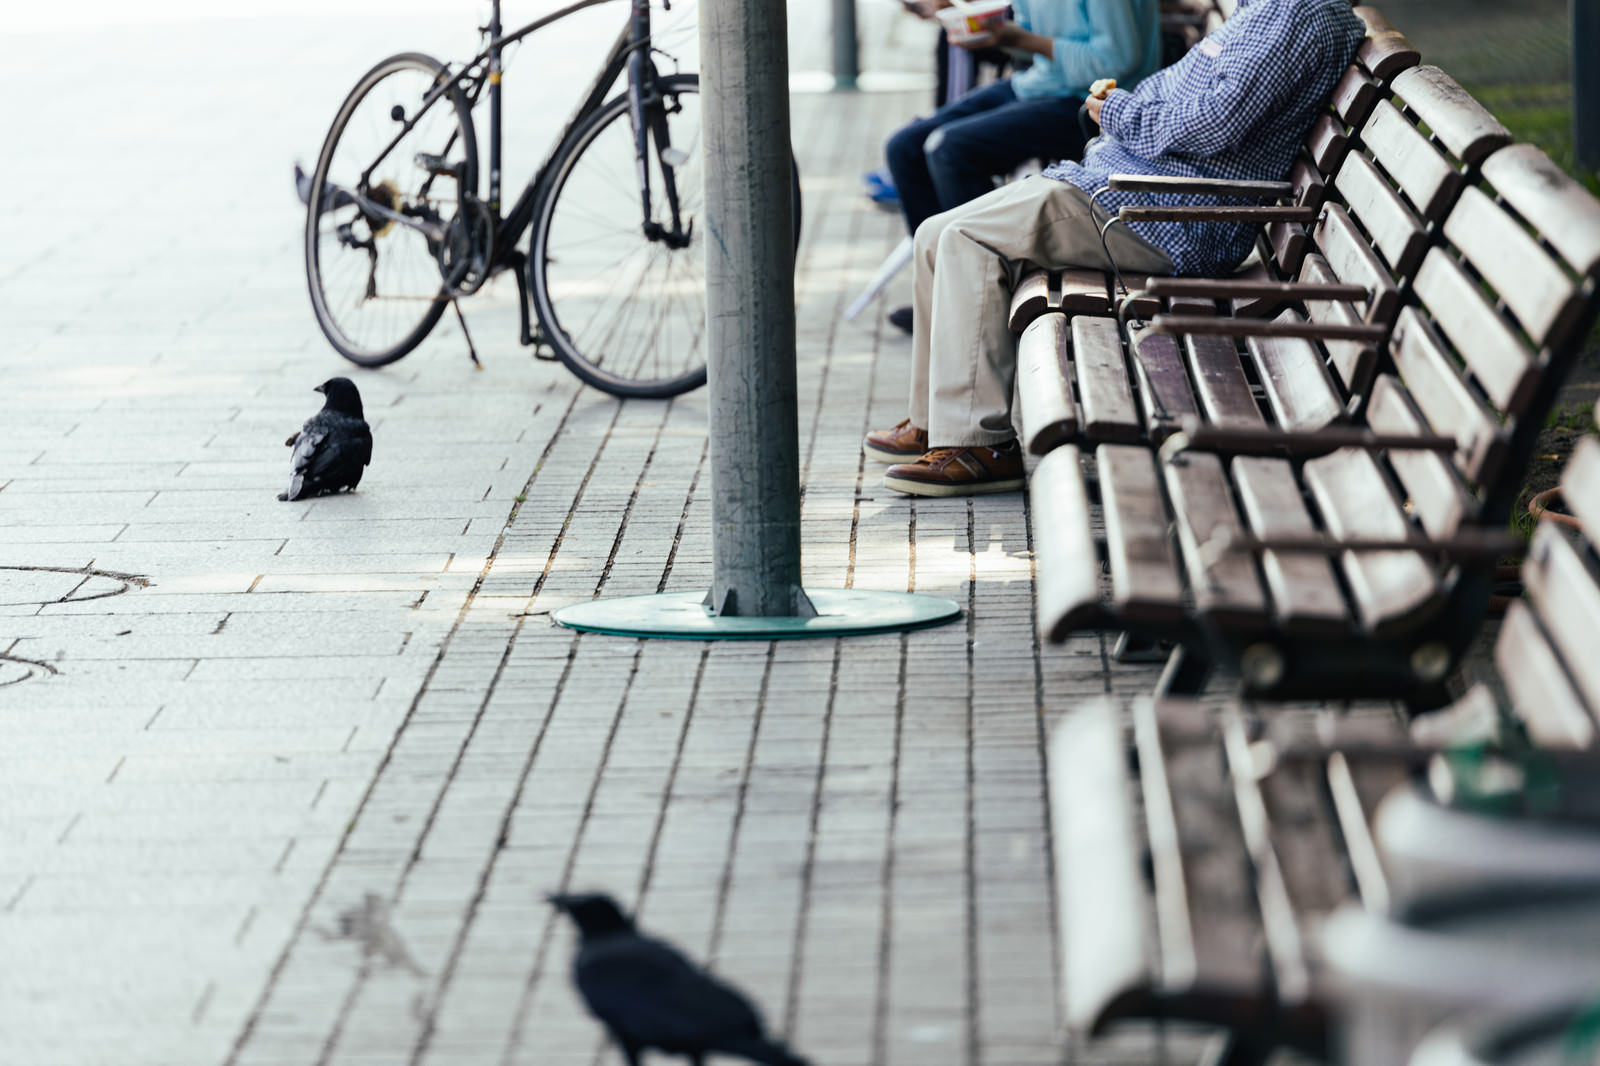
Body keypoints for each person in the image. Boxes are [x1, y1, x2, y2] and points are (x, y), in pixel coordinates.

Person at [862, 0, 1367, 498]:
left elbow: (1213, 123)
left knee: (968, 239)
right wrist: (1127, 113)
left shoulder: (1298, 17)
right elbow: (1187, 100)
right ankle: (938, 422)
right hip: (1130, 189)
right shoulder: (1271, 10)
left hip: (1165, 217)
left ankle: (981, 446)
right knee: (934, 232)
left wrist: (1121, 112)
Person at [882, 0, 1162, 333]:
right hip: (1040, 84)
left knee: (950, 150)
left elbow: (1114, 62)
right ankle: (940, 295)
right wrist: (995, 36)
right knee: (905, 148)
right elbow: (1036, 43)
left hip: (1094, 105)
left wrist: (1025, 41)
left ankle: (985, 301)